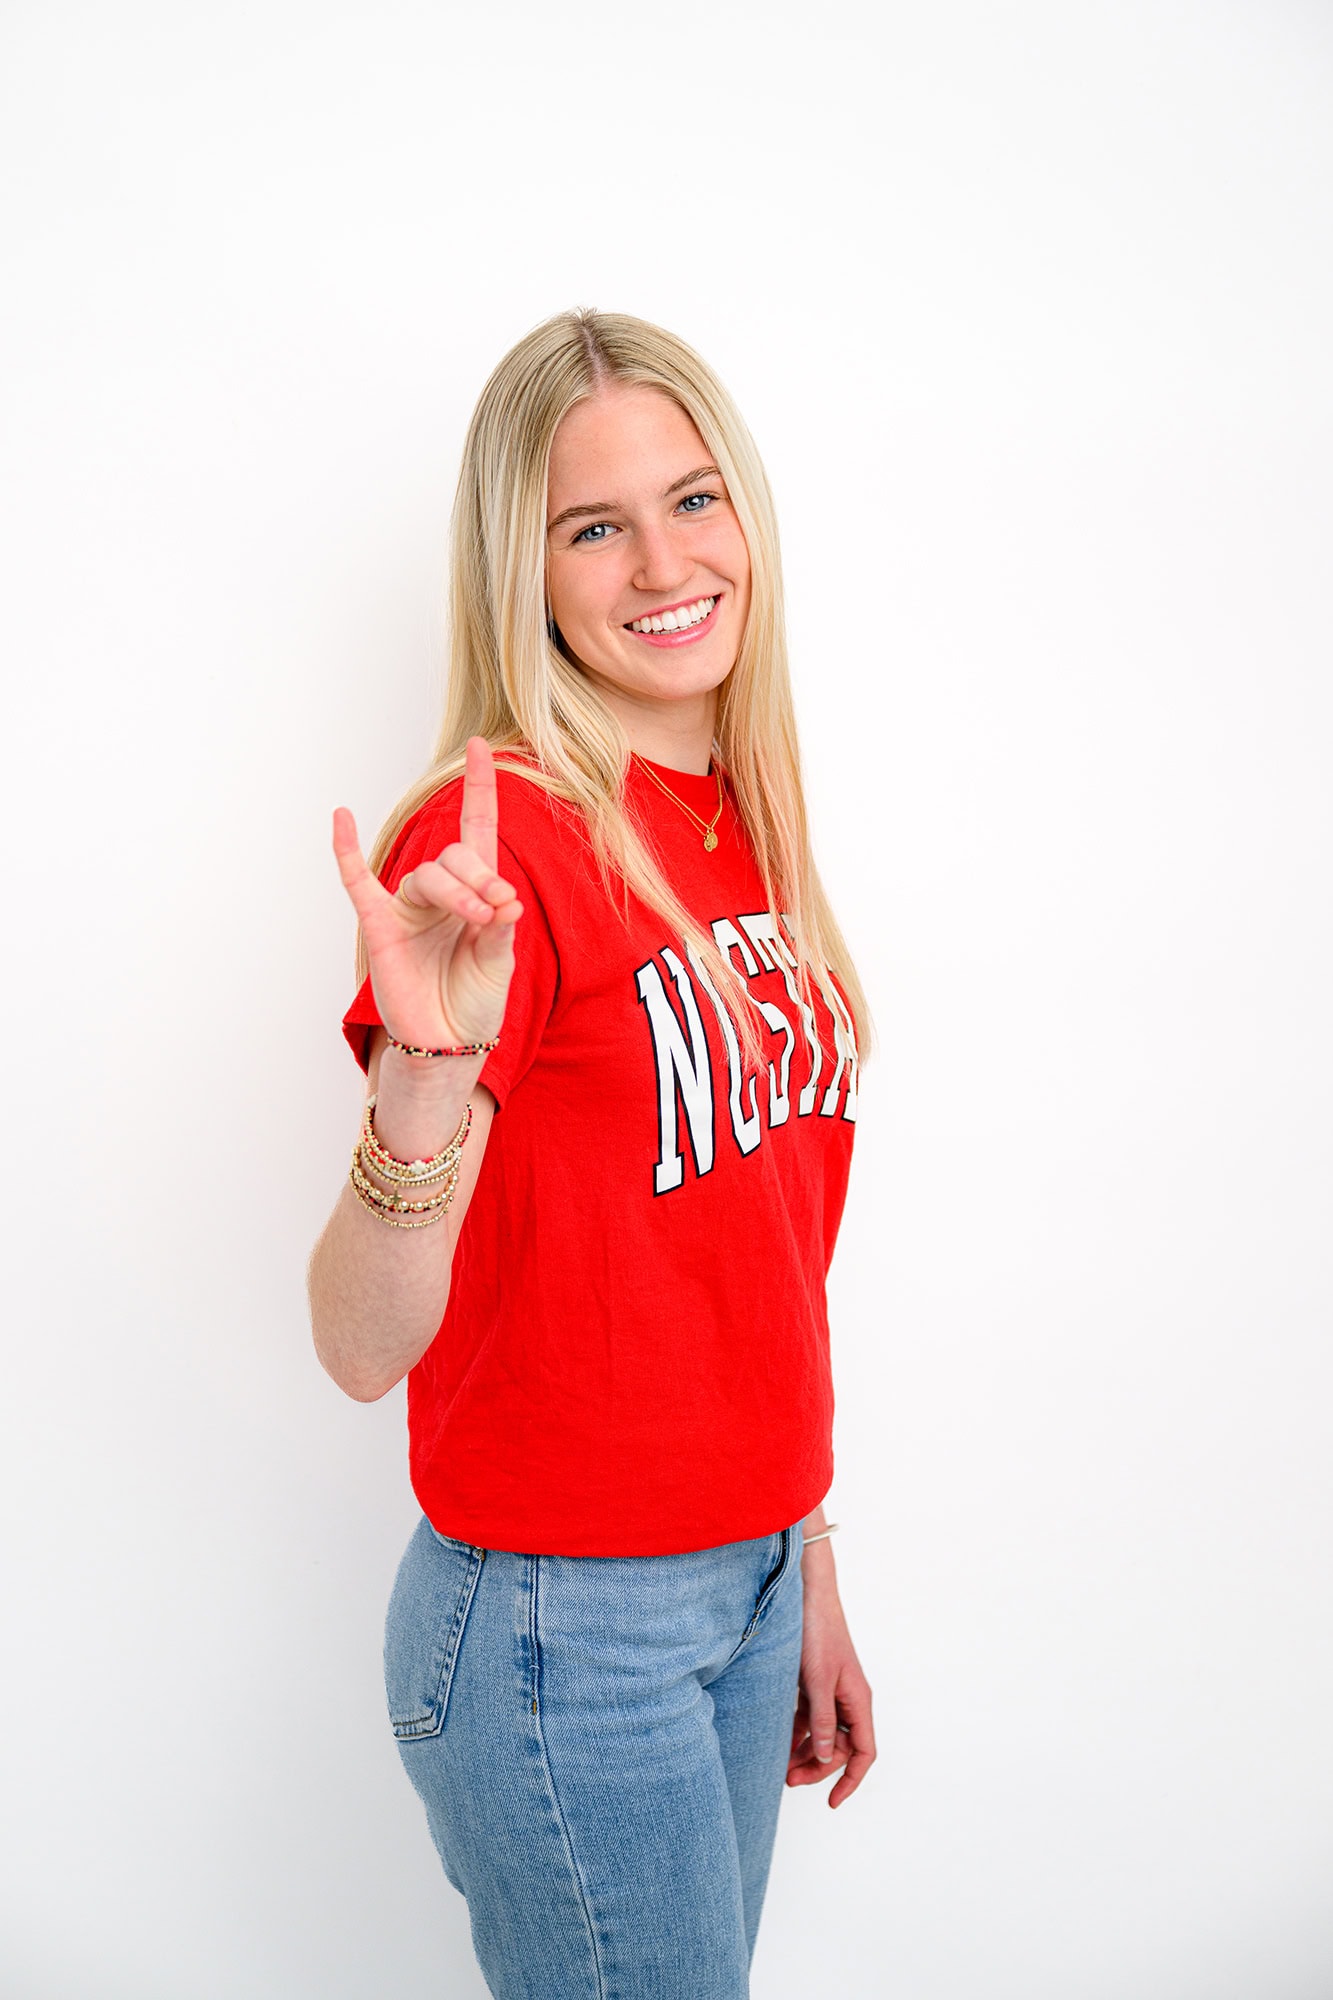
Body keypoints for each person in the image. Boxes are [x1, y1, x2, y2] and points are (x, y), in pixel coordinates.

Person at [307, 307, 876, 1999]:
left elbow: (760, 1251)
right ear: (525, 572)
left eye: (693, 500)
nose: (661, 562)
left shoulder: (742, 813)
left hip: (747, 1581)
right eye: (590, 526)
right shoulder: (500, 841)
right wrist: (423, 1069)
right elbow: (357, 1348)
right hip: (566, 1627)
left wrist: (806, 1555)